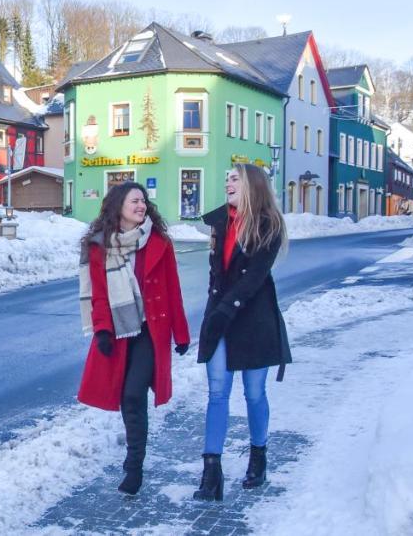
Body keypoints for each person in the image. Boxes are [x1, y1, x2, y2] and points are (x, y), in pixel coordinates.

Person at [78, 181, 191, 495]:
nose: (141, 206)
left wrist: (180, 333)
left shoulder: (159, 243)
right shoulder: (99, 245)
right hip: (118, 331)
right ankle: (134, 463)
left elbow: (173, 290)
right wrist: (101, 330)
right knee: (125, 396)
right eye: (134, 201)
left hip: (150, 332)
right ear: (119, 207)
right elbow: (98, 294)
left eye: (143, 201)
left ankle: (133, 466)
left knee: (132, 395)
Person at [193, 163, 293, 501]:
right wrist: (213, 315)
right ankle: (211, 473)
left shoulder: (269, 226)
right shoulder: (220, 222)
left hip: (254, 321)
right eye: (226, 178)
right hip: (220, 320)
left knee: (253, 393)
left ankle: (258, 457)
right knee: (218, 392)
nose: (227, 183)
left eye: (234, 178)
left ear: (252, 184)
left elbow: (253, 280)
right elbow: (215, 276)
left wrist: (224, 312)